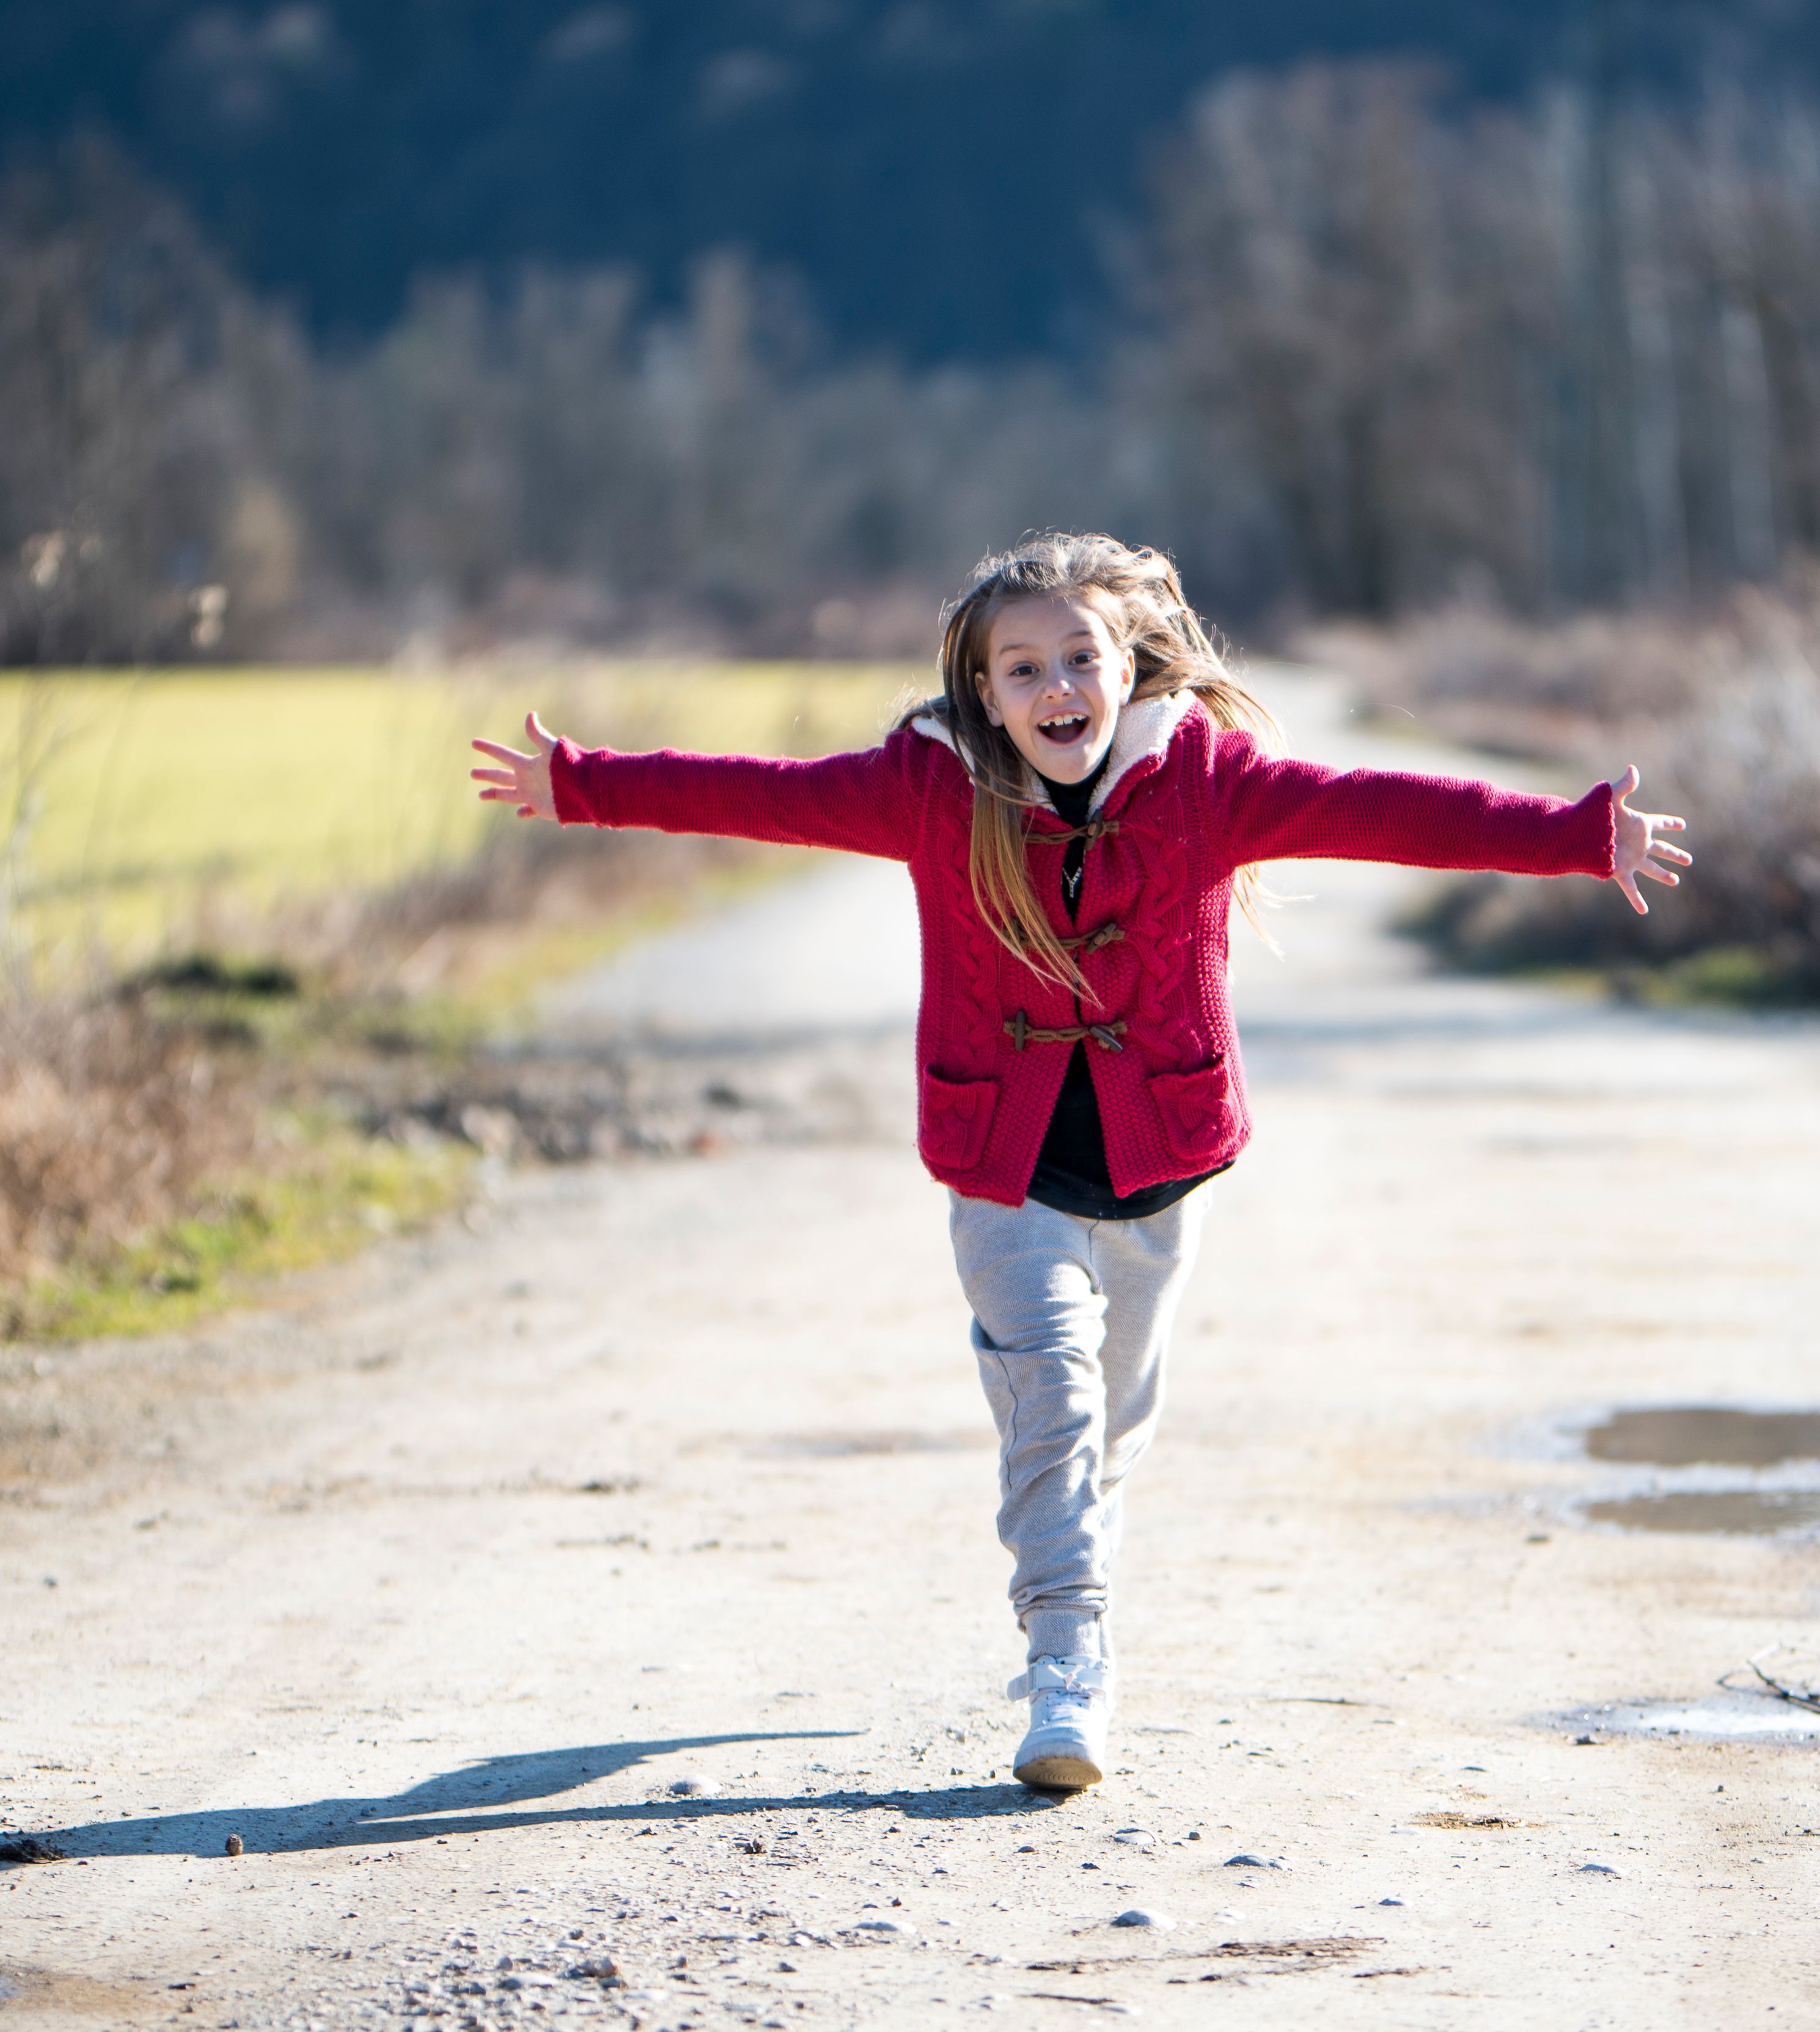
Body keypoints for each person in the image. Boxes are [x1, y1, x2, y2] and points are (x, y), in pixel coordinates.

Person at [468, 532, 1687, 1792]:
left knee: (1110, 1420)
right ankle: (1066, 1666)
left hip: (1159, 1157)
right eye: (1021, 668)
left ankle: (1070, 1555)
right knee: (1050, 1392)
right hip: (1003, 1160)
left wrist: (1576, 835)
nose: (1056, 690)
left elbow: (1383, 813)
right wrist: (585, 784)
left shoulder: (1205, 781)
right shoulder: (927, 787)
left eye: (1078, 659)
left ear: (1127, 663)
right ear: (980, 692)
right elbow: (760, 792)